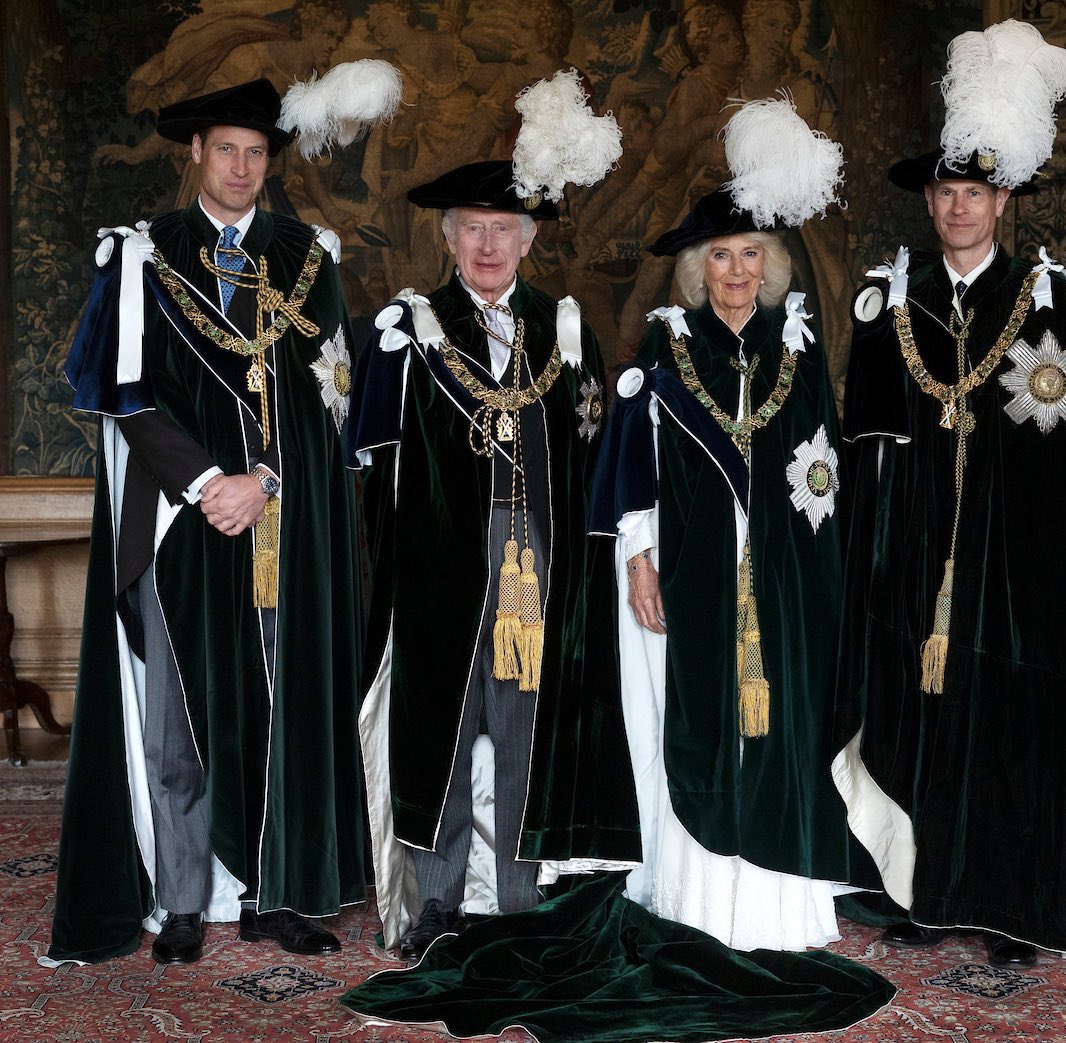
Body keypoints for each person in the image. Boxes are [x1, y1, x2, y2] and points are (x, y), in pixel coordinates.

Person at [832, 141, 1066, 966]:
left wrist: (1049, 565)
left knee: (1001, 726)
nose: (960, 207)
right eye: (946, 193)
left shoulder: (1044, 299)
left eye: (976, 193)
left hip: (1011, 560)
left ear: (1001, 204)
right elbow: (871, 446)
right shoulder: (895, 300)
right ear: (928, 204)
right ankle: (928, 890)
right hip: (920, 555)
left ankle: (1003, 901)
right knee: (924, 718)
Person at [50, 78, 367, 966]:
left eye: (256, 152)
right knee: (177, 717)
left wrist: (262, 480)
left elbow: (330, 403)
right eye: (225, 149)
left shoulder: (309, 258)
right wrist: (205, 483)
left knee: (278, 706)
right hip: (177, 522)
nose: (240, 168)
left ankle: (276, 891)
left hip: (276, 522)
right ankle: (183, 898)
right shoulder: (144, 254)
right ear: (194, 153)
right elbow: (126, 396)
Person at [346, 158, 641, 962]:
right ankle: (436, 902)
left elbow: (588, 456)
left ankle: (515, 901)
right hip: (440, 558)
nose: (487, 244)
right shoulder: (410, 329)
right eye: (471, 229)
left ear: (527, 239)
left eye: (501, 230)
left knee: (525, 728)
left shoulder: (561, 327)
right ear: (447, 239)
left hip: (535, 560)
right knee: (438, 725)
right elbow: (371, 461)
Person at [591, 173, 858, 950]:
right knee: (692, 712)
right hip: (688, 568)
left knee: (781, 725)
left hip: (781, 577)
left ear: (769, 263)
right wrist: (640, 562)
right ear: (697, 269)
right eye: (720, 256)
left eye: (750, 254)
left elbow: (824, 471)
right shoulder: (667, 343)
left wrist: (808, 573)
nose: (737, 271)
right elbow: (631, 461)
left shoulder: (797, 346)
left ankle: (778, 901)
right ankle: (698, 898)